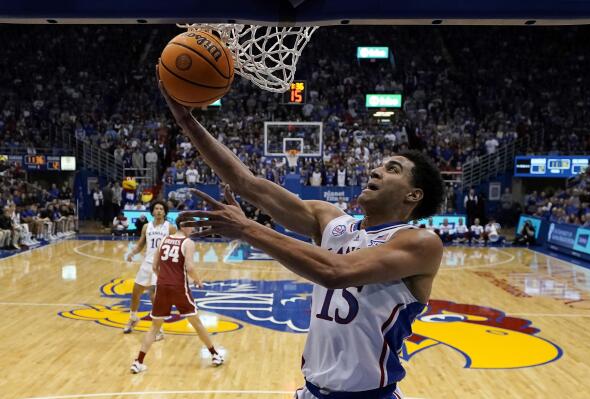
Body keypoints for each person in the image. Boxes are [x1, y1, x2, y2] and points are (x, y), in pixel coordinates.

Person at [158, 69, 444, 399]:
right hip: (310, 391)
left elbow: (336, 272)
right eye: (381, 164)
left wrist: (247, 228)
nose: (377, 169)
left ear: (413, 195)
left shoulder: (420, 243)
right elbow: (247, 184)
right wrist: (187, 122)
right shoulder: (332, 222)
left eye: (393, 169)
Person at [130, 214, 224, 374]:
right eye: (192, 225)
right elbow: (190, 267)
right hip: (179, 287)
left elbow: (154, 266)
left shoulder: (164, 240)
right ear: (184, 226)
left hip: (162, 286)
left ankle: (138, 362)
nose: (193, 229)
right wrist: (198, 281)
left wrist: (164, 278)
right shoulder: (188, 243)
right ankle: (215, 355)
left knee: (154, 327)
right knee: (196, 323)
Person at [124, 200, 176, 336]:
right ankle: (133, 317)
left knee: (154, 295)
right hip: (147, 262)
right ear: (152, 211)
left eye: (161, 209)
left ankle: (159, 329)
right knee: (136, 291)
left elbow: (175, 247)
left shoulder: (170, 227)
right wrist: (132, 253)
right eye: (156, 208)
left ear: (165, 212)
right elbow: (141, 244)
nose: (159, 211)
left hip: (161, 265)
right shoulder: (146, 227)